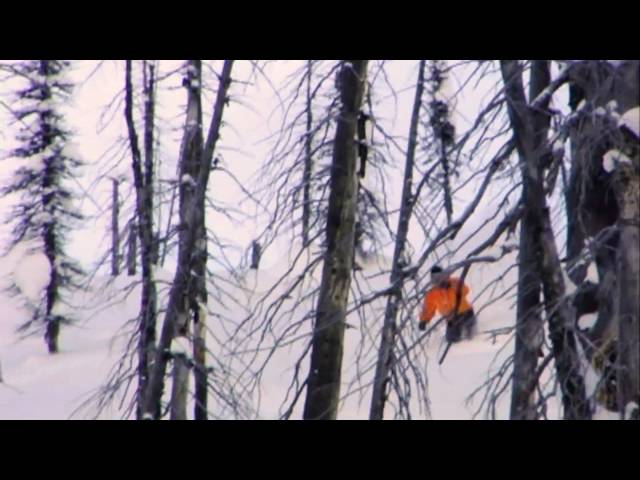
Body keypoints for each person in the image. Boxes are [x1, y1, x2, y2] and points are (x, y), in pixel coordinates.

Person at [418, 265, 478, 343]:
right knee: (452, 340)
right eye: (435, 278)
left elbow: (466, 290)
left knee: (471, 336)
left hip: (466, 313)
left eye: (440, 277)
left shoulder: (455, 282)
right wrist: (424, 320)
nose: (438, 280)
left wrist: (452, 287)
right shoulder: (432, 293)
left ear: (444, 276)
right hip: (451, 319)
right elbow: (428, 308)